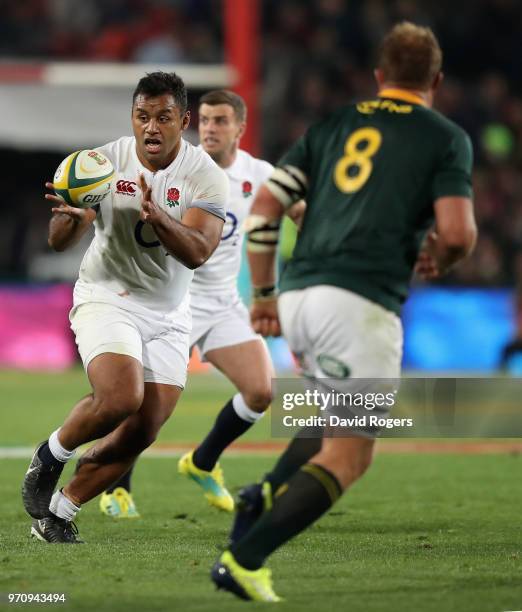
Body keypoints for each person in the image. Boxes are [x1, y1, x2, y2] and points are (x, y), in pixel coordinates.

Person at [210, 22, 477, 601]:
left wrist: (263, 296)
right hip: (360, 300)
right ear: (435, 80)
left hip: (302, 294)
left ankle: (264, 494)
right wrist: (443, 255)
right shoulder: (445, 136)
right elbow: (457, 231)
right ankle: (244, 559)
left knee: (332, 416)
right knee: (352, 454)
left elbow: (265, 209)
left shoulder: (331, 125)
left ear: (379, 77)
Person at [22, 71, 229, 543]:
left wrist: (158, 218)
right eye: (142, 117)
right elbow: (58, 242)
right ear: (132, 119)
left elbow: (198, 251)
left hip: (170, 311)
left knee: (144, 428)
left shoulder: (205, 176)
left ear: (184, 120)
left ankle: (59, 511)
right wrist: (72, 220)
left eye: (163, 117)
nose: (151, 128)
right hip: (107, 296)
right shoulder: (101, 164)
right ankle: (51, 454)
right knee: (120, 397)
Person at [100, 90, 303, 518]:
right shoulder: (183, 168)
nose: (209, 128)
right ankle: (117, 487)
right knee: (144, 408)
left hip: (224, 302)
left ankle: (202, 461)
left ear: (240, 128)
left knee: (262, 390)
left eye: (220, 121)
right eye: (205, 120)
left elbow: (305, 211)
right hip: (174, 299)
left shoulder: (260, 174)